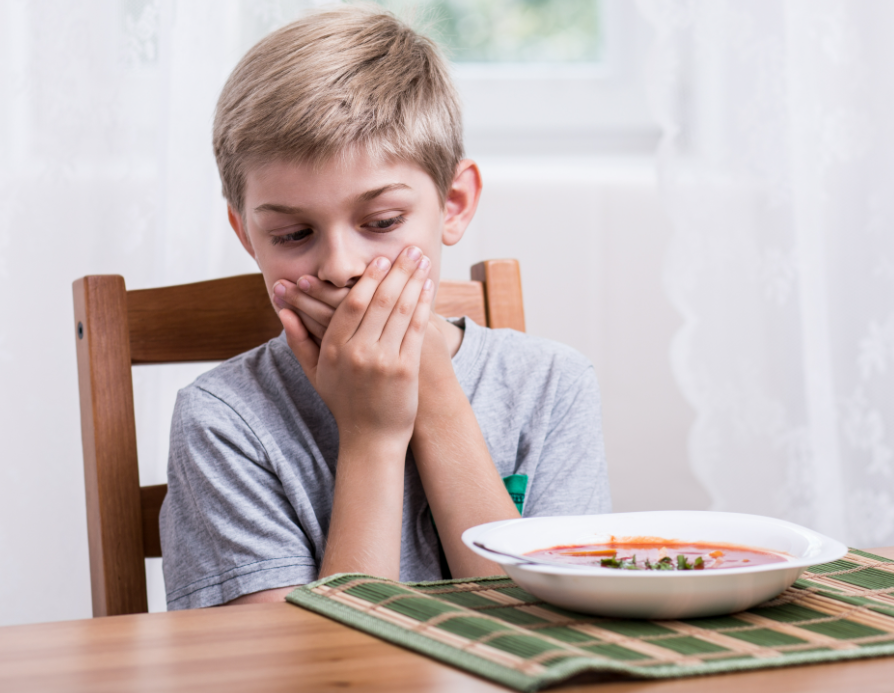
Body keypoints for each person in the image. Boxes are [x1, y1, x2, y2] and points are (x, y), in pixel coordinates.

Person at [159, 5, 611, 610]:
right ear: (248, 237)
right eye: (293, 235)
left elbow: (549, 633)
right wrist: (372, 436)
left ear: (452, 204)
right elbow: (306, 688)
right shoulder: (223, 422)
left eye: (381, 222)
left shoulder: (551, 385)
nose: (341, 265)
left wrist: (434, 394)